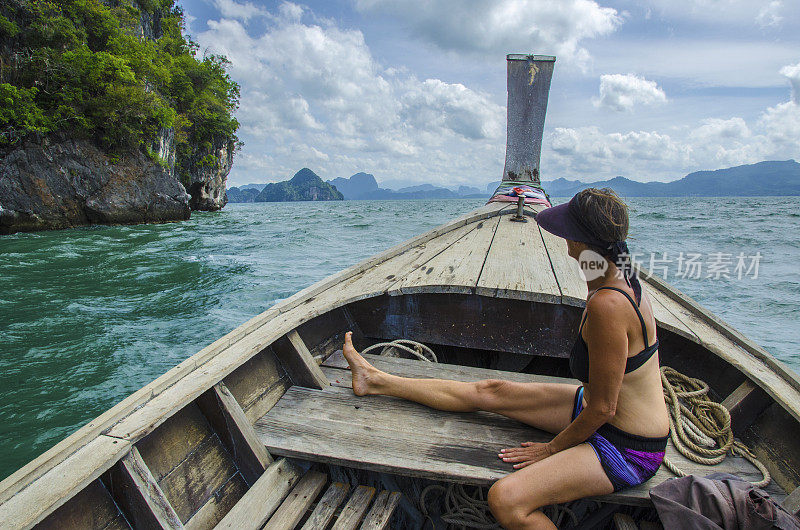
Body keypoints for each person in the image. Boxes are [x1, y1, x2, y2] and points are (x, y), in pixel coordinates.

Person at [340, 188, 670, 529]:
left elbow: (605, 408)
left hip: (629, 447)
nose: (562, 239)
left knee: (506, 499)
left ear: (581, 240)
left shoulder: (609, 305)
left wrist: (551, 449)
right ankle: (375, 379)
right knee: (491, 389)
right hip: (599, 413)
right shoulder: (611, 270)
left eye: (569, 231)